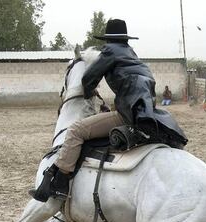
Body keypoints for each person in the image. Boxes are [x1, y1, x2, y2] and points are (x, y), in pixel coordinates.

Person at [32, 18, 188, 202]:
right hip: (147, 112)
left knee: (76, 131)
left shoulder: (109, 51)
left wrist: (90, 93)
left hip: (128, 114)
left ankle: (60, 183)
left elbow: (88, 79)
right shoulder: (132, 54)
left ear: (108, 39)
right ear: (125, 39)